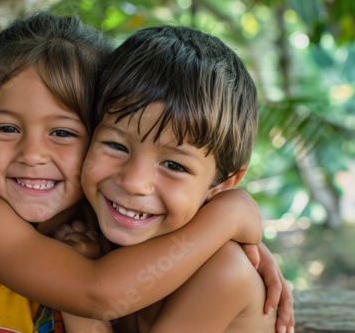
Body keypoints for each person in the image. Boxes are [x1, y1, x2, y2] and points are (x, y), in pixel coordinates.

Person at [0, 11, 291, 333]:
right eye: (7, 128)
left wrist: (237, 229)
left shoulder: (106, 223)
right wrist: (229, 215)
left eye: (63, 133)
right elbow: (97, 293)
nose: (33, 155)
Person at [59, 25, 296, 332]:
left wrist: (75, 293)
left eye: (174, 165)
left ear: (223, 184)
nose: (133, 182)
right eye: (117, 146)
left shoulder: (225, 270)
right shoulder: (95, 222)